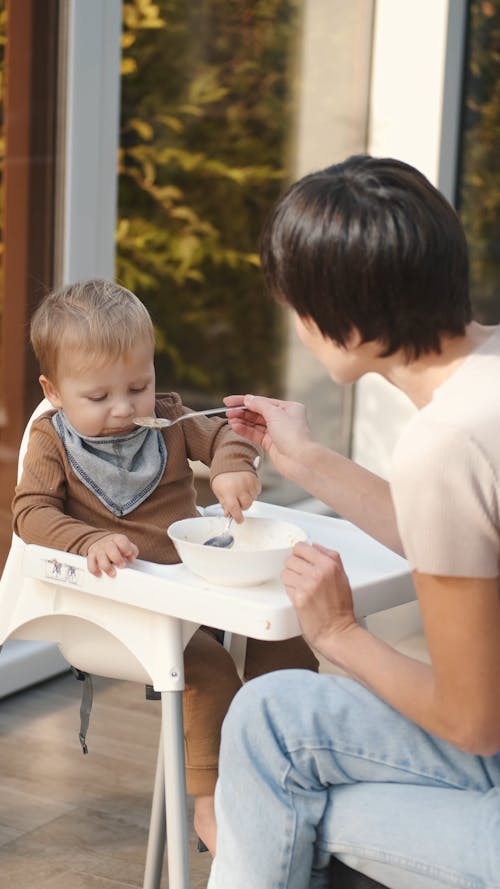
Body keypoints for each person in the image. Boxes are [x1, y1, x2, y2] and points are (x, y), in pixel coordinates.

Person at [207, 155, 500, 888]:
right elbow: (461, 530)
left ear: (352, 321)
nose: (298, 322)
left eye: (300, 304)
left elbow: (473, 721)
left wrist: (337, 632)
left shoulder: (447, 442)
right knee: (268, 715)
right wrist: (306, 460)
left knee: (291, 809)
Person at [12, 278, 318, 855]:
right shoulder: (52, 440)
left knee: (284, 631)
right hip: (113, 604)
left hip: (191, 588)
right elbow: (29, 514)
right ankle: (212, 804)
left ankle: (290, 760)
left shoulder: (171, 420)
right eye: (98, 398)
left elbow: (227, 433)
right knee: (208, 669)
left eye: (139, 386)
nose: (125, 409)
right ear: (53, 391)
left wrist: (232, 467)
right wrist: (86, 541)